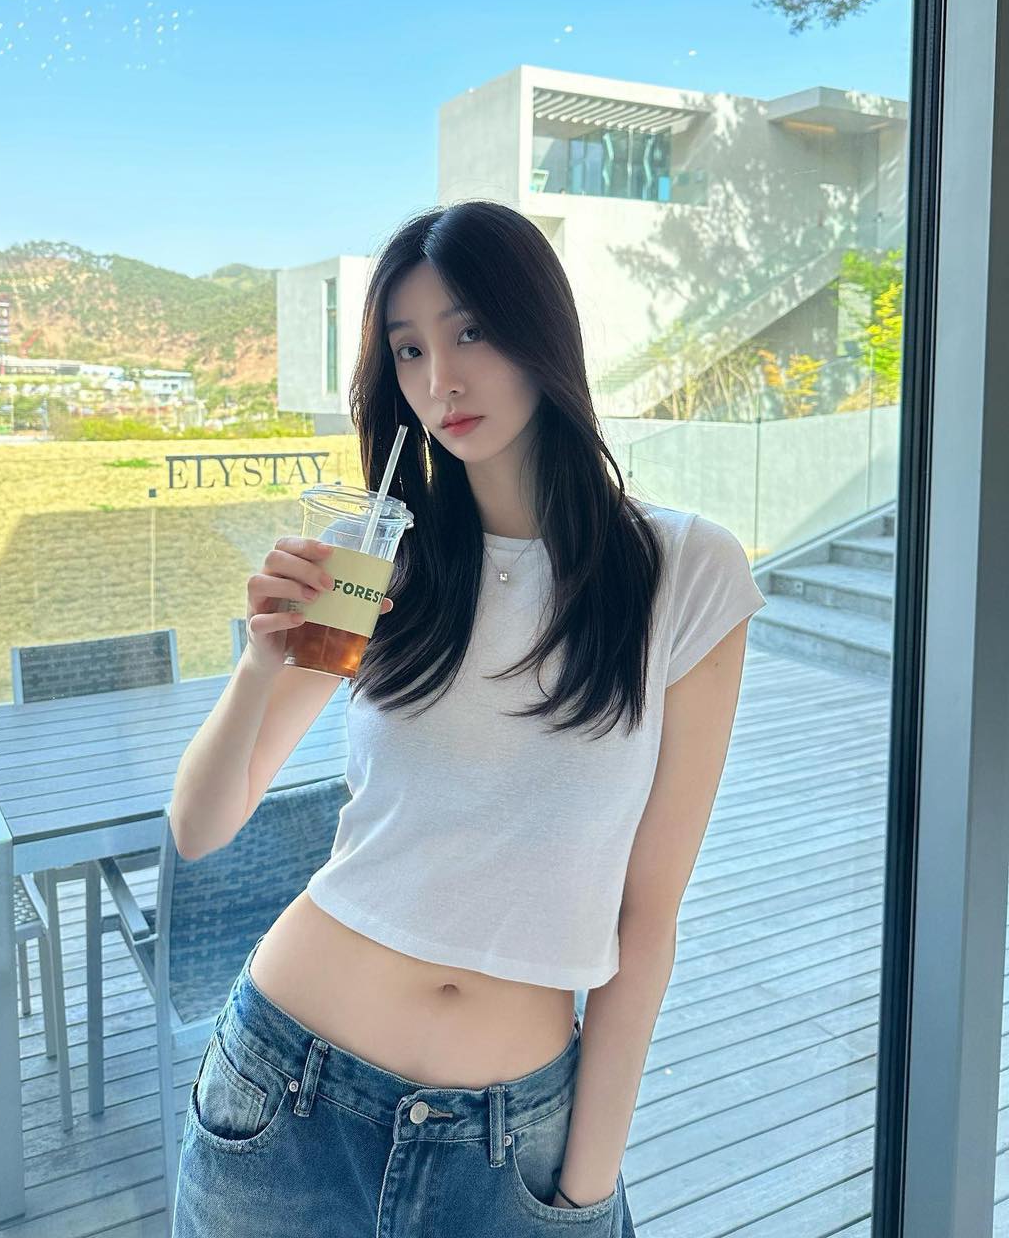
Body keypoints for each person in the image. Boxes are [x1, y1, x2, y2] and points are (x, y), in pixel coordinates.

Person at [167, 199, 767, 1236]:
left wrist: (583, 1190)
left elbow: (646, 920)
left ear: (542, 333)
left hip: (506, 1143)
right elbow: (200, 825)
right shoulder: (381, 563)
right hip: (282, 1097)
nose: (439, 379)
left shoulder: (684, 571)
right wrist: (260, 664)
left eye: (471, 331)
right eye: (408, 349)